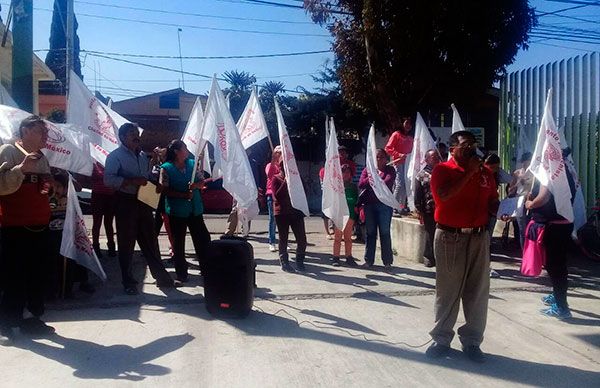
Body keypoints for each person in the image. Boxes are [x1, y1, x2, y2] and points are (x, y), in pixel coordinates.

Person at [426, 130, 499, 363]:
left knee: (477, 292)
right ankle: (441, 339)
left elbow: (492, 199)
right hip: (450, 237)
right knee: (448, 291)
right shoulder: (442, 170)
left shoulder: (486, 172)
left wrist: (503, 208)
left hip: (479, 237)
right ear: (452, 149)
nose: (471, 149)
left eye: (474, 145)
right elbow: (443, 196)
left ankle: (472, 341)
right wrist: (468, 173)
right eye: (465, 145)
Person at [104, 123, 176, 295]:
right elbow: (108, 180)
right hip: (125, 202)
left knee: (151, 241)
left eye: (137, 133)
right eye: (131, 134)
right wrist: (130, 181)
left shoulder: (143, 155)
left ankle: (162, 279)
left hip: (144, 201)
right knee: (126, 244)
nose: (136, 136)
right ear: (122, 137)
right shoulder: (115, 156)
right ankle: (128, 282)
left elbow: (147, 176)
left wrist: (156, 182)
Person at [0, 115, 55, 337]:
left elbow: (44, 190)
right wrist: (21, 169)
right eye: (41, 131)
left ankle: (32, 318)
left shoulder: (42, 158)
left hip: (39, 224)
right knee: (14, 277)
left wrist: (51, 187)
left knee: (36, 275)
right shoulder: (8, 151)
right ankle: (6, 324)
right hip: (14, 226)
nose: (46, 135)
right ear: (26, 132)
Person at [525, 148, 576, 319]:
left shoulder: (550, 173)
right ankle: (557, 296)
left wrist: (530, 204)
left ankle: (562, 306)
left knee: (555, 266)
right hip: (562, 224)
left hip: (553, 227)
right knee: (557, 265)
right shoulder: (566, 170)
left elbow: (543, 198)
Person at [159, 140, 211, 282]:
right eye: (184, 148)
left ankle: (206, 269)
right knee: (178, 242)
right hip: (177, 211)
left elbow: (202, 182)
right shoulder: (166, 168)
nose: (187, 150)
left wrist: (196, 185)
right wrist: (182, 194)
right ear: (176, 151)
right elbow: (164, 190)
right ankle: (181, 273)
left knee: (203, 239)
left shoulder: (192, 164)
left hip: (195, 209)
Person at [358, 149, 396, 270]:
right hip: (369, 205)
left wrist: (374, 180)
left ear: (386, 159)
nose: (379, 159)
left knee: (384, 233)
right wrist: (372, 177)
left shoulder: (390, 170)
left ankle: (387, 261)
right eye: (377, 157)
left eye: (381, 157)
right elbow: (361, 184)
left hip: (384, 205)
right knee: (370, 233)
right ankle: (369, 260)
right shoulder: (368, 170)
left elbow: (387, 182)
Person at [272, 161, 308, 272]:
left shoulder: (297, 178)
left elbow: (304, 191)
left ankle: (300, 261)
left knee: (302, 238)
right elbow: (276, 195)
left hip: (296, 212)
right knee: (283, 238)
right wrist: (285, 183)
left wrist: (296, 182)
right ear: (281, 168)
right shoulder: (276, 179)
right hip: (282, 213)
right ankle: (284, 262)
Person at [484, 153, 512, 278]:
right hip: (480, 211)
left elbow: (510, 179)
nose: (494, 170)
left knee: (487, 240)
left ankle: (487, 266)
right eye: (492, 167)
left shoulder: (496, 175)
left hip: (492, 211)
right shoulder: (479, 174)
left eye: (496, 167)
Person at [414, 149, 441, 268]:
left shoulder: (443, 172)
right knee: (430, 234)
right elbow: (418, 194)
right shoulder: (421, 175)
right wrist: (419, 209)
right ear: (426, 159)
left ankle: (440, 257)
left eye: (436, 156)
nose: (435, 159)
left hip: (442, 209)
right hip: (429, 210)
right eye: (432, 157)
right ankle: (429, 257)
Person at [331, 164, 359, 267]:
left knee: (348, 237)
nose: (346, 174)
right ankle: (336, 257)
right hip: (339, 215)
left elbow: (355, 200)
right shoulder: (336, 186)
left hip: (350, 214)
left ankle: (349, 256)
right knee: (337, 237)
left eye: (348, 172)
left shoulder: (353, 186)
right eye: (343, 172)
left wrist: (347, 201)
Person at [385, 117, 414, 215]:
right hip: (398, 163)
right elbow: (388, 148)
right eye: (406, 123)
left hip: (408, 164)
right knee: (400, 184)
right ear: (402, 124)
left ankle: (401, 207)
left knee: (406, 185)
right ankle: (393, 207)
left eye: (410, 124)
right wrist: (399, 154)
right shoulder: (396, 134)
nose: (408, 126)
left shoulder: (411, 138)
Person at [90, 162, 116, 258]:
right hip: (97, 195)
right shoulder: (94, 164)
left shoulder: (112, 164)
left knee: (109, 223)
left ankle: (111, 247)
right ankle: (96, 247)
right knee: (97, 222)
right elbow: (88, 178)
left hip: (110, 195)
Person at [508, 152, 533, 249]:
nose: (526, 164)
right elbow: (511, 189)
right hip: (520, 200)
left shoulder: (536, 173)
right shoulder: (517, 173)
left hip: (532, 200)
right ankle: (524, 252)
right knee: (522, 228)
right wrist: (518, 182)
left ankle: (532, 252)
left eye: (528, 162)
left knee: (531, 227)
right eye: (524, 162)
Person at [265, 146, 282, 252]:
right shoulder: (269, 165)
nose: (279, 155)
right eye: (278, 153)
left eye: (281, 153)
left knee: (283, 220)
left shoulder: (283, 166)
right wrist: (272, 160)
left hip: (282, 195)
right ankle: (272, 242)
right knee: (273, 219)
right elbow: (270, 175)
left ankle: (283, 241)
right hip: (272, 195)